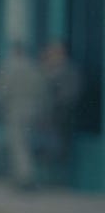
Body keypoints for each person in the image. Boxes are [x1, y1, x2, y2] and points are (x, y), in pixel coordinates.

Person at [0, 41, 45, 191]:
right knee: (26, 144)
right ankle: (27, 176)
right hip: (32, 109)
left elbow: (1, 90)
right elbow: (41, 90)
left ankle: (24, 178)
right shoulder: (33, 67)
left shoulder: (9, 66)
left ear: (14, 51)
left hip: (15, 109)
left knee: (17, 145)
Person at [39, 40, 82, 187]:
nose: (51, 55)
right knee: (48, 148)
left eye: (54, 52)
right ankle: (49, 179)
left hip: (61, 116)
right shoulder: (47, 69)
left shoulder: (69, 70)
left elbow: (69, 94)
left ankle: (60, 181)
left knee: (58, 148)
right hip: (47, 117)